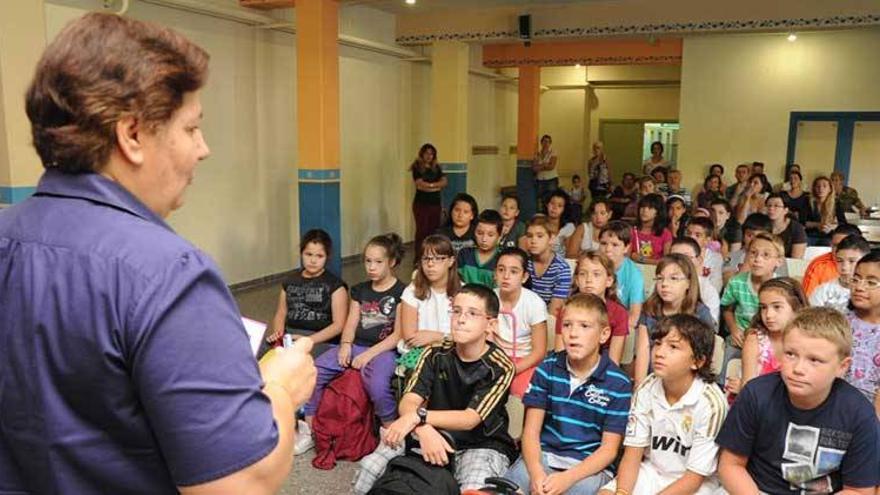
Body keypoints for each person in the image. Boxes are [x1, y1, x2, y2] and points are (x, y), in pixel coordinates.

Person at [0, 13, 317, 493]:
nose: (203, 149)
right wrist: (280, 387)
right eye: (191, 129)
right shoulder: (167, 274)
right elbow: (240, 483)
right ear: (132, 135)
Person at [354, 285, 517, 493]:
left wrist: (418, 418)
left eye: (473, 313)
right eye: (456, 311)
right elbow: (409, 402)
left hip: (480, 444)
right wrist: (422, 428)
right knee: (369, 467)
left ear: (490, 324)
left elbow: (470, 419)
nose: (461, 318)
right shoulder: (434, 353)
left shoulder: (500, 366)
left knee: (473, 488)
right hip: (430, 430)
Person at [716, 308, 880, 494]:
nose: (798, 368)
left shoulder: (860, 413)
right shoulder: (756, 394)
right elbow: (731, 465)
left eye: (815, 360)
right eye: (790, 354)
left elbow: (859, 491)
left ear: (842, 367)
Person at [505, 294, 632, 494]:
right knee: (514, 485)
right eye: (567, 325)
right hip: (543, 457)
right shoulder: (547, 368)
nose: (573, 333)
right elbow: (530, 432)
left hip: (587, 468)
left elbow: (608, 450)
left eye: (584, 326)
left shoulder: (618, 383)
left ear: (604, 334)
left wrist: (567, 478)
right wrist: (537, 473)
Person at [600, 315, 728, 495]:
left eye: (673, 347)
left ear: (697, 361)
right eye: (658, 343)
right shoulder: (646, 387)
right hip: (652, 471)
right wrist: (621, 492)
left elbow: (694, 478)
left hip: (695, 483)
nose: (659, 352)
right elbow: (632, 454)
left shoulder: (711, 403)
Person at [304, 234, 407, 441]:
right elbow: (350, 323)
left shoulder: (402, 292)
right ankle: (310, 427)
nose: (371, 267)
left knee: (377, 386)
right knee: (314, 372)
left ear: (392, 262)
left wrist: (368, 355)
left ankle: (391, 432)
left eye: (378, 262)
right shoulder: (359, 290)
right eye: (368, 261)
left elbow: (398, 335)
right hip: (356, 345)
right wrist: (345, 345)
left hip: (384, 351)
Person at [633, 254, 717, 384]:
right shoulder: (649, 309)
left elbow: (705, 356)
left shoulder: (701, 313)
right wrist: (639, 386)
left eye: (674, 278)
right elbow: (643, 350)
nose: (665, 284)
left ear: (688, 283)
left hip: (687, 383)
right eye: (660, 278)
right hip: (654, 379)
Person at [268, 229, 349, 360]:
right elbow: (281, 313)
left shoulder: (336, 286)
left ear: (327, 257)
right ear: (301, 253)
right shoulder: (289, 282)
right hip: (291, 335)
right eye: (308, 254)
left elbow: (338, 325)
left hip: (320, 339)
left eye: (319, 256)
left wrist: (308, 340)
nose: (313, 260)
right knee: (257, 352)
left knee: (294, 360)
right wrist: (279, 336)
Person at [720, 232, 785, 384]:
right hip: (740, 337)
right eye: (753, 253)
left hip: (770, 339)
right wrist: (734, 329)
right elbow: (727, 309)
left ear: (779, 261)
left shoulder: (782, 287)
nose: (757, 259)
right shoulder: (736, 282)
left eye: (766, 255)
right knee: (728, 366)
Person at [724, 278, 807, 397]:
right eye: (763, 307)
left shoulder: (807, 341)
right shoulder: (755, 339)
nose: (768, 315)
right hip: (755, 407)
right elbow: (748, 390)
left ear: (796, 308)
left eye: (777, 307)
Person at [493, 247, 549, 398]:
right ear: (495, 274)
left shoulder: (534, 303)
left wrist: (512, 369)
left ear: (524, 277)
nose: (506, 276)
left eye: (514, 271)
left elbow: (539, 352)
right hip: (494, 358)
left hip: (524, 361)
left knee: (522, 391)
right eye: (501, 269)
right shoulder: (489, 298)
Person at [559, 251, 631, 364]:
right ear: (577, 280)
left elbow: (614, 361)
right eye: (583, 274)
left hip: (604, 372)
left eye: (596, 274)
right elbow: (560, 353)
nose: (588, 280)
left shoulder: (619, 313)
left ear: (609, 281)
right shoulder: (566, 310)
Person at [398, 234, 461, 361]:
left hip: (454, 352)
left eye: (438, 258)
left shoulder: (463, 292)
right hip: (420, 353)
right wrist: (449, 338)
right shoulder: (412, 291)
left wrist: (437, 336)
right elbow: (410, 338)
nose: (430, 264)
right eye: (426, 259)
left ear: (450, 261)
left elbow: (467, 335)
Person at [845, 250, 880, 415]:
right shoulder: (839, 323)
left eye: (871, 282)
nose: (859, 287)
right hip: (837, 410)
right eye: (856, 279)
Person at [600, 221, 645, 334]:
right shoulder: (591, 266)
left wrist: (610, 333)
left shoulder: (634, 274)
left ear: (626, 248)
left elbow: (634, 316)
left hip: (619, 329)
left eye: (615, 245)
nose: (608, 249)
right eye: (603, 243)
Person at [525, 216, 572, 318]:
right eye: (529, 236)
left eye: (540, 236)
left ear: (551, 239)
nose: (533, 241)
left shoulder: (562, 268)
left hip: (548, 322)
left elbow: (554, 311)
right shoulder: (523, 263)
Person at [810, 235, 870, 312]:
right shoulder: (823, 291)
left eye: (852, 261)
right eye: (840, 261)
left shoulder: (873, 293)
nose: (844, 267)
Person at [669, 237, 721, 327]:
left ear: (699, 260)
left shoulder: (707, 289)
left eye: (686, 257)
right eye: (674, 257)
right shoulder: (661, 284)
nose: (680, 262)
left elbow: (710, 327)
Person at [801, 224, 864, 296]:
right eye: (836, 245)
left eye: (845, 245)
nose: (839, 249)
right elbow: (807, 300)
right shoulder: (819, 265)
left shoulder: (870, 265)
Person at [411, 143, 447, 255]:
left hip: (435, 203)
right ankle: (419, 255)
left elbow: (444, 182)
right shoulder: (417, 167)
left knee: (434, 230)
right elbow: (420, 184)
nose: (429, 156)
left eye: (432, 154)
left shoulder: (437, 168)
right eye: (427, 153)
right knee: (422, 231)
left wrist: (430, 186)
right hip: (421, 203)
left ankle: (432, 253)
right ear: (422, 154)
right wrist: (435, 186)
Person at [722, 213, 772, 284]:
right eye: (750, 235)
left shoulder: (775, 260)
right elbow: (728, 283)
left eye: (760, 236)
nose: (754, 240)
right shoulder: (730, 257)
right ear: (743, 235)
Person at [458, 209, 503, 287]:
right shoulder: (464, 254)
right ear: (474, 232)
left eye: (490, 235)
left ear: (499, 236)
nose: (484, 239)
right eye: (480, 233)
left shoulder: (502, 258)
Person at [630, 193, 672, 265]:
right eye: (642, 207)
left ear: (658, 212)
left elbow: (666, 261)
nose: (645, 211)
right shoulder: (632, 230)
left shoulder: (665, 233)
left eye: (650, 208)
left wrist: (641, 259)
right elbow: (626, 257)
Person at [685, 216, 724, 294]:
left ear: (707, 240)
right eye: (689, 233)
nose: (691, 238)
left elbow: (715, 289)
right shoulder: (677, 253)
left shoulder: (716, 258)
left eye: (697, 235)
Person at [805, 175, 847, 246]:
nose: (821, 189)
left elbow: (843, 223)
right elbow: (802, 222)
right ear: (814, 188)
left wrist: (831, 227)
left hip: (828, 235)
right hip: (810, 235)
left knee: (827, 244)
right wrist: (818, 225)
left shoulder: (836, 203)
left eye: (824, 186)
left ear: (830, 189)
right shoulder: (807, 201)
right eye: (818, 186)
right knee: (805, 242)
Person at [766, 192, 807, 259]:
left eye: (776, 206)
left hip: (787, 265)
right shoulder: (761, 223)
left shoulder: (796, 228)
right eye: (769, 205)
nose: (771, 208)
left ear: (785, 210)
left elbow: (796, 259)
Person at [545, 189, 577, 257]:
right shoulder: (540, 222)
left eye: (559, 206)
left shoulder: (569, 227)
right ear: (547, 204)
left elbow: (570, 253)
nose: (554, 208)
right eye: (552, 203)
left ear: (564, 209)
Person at [534, 134, 559, 212]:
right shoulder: (537, 154)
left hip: (551, 179)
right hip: (540, 179)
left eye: (548, 142)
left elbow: (551, 166)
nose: (546, 143)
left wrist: (540, 166)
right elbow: (534, 168)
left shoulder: (553, 153)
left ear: (550, 143)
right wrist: (545, 165)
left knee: (551, 198)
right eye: (544, 141)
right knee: (541, 199)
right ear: (541, 143)